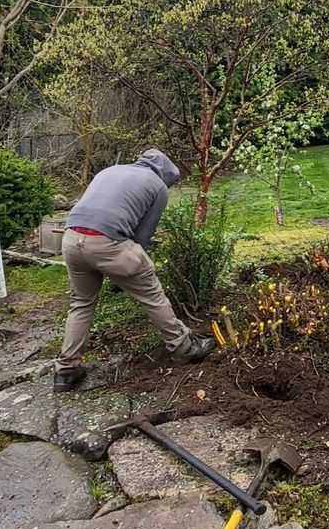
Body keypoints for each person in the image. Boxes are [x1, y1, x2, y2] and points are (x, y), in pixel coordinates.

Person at [55, 148, 212, 391]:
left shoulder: (111, 170)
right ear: (165, 176)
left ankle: (66, 370)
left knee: (82, 303)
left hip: (72, 238)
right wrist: (127, 273)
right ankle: (183, 346)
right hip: (108, 243)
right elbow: (142, 237)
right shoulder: (158, 187)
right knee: (152, 295)